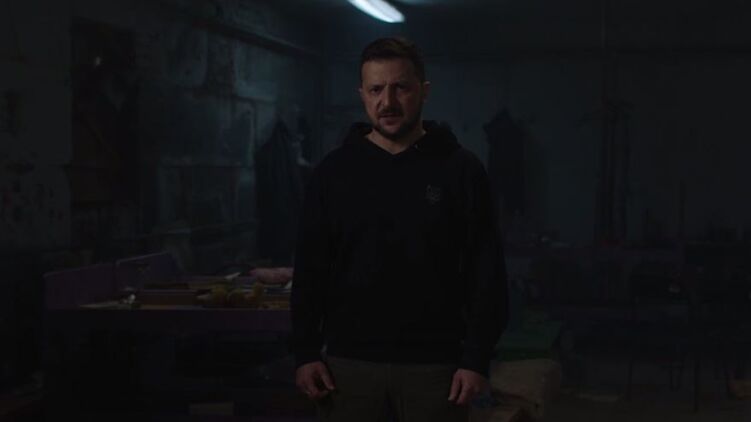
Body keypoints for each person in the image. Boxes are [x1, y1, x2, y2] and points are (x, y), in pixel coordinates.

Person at [291, 37, 508, 422]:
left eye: (401, 88)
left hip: (437, 368)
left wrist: (476, 359)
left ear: (424, 91)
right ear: (362, 94)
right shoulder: (334, 173)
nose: (387, 102)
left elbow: (486, 271)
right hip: (347, 367)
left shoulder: (461, 171)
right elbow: (310, 269)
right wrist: (305, 352)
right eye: (376, 89)